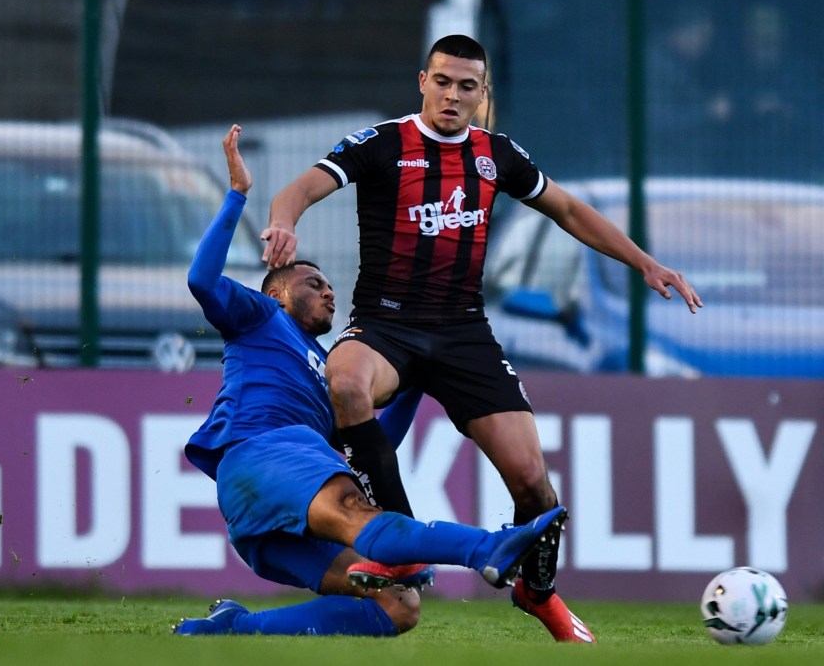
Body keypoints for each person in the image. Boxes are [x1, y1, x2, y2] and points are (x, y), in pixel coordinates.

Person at [262, 34, 704, 643]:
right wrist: (283, 222)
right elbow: (302, 188)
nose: (452, 94)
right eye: (442, 81)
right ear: (423, 81)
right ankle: (396, 542)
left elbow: (570, 211)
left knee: (534, 484)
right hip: (386, 324)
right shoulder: (383, 143)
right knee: (346, 380)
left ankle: (537, 590)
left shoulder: (495, 156)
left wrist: (644, 263)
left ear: (482, 94)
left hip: (464, 332)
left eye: (466, 85)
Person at [174, 123, 568, 637]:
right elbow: (201, 280)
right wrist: (237, 196)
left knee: (398, 604)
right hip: (262, 453)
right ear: (277, 293)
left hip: (274, 514)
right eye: (314, 283)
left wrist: (416, 374)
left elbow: (370, 445)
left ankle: (229, 630)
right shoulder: (259, 318)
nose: (329, 294)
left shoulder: (331, 368)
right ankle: (486, 548)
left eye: (333, 287)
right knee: (359, 513)